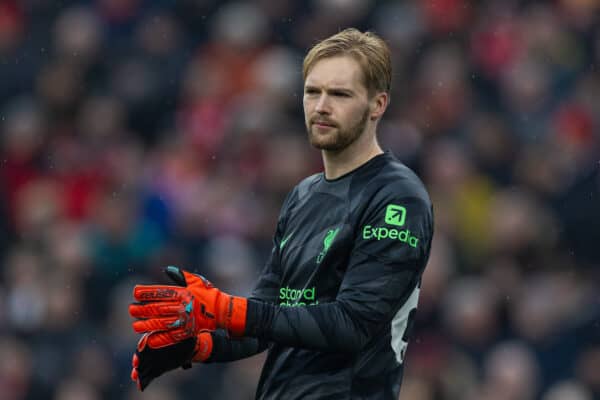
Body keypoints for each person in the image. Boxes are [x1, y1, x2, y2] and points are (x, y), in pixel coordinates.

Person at [129, 27, 434, 399]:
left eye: (339, 94)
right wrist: (201, 345)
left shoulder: (397, 196)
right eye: (312, 91)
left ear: (378, 104)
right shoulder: (302, 195)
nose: (321, 106)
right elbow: (268, 319)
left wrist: (229, 310)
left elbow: (351, 324)